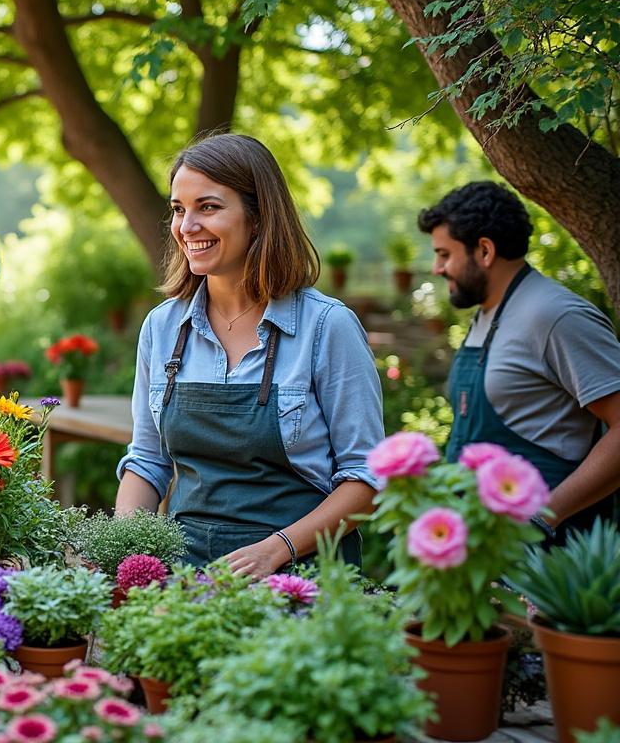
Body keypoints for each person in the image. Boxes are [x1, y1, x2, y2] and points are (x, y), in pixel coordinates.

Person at [115, 134, 383, 577]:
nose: (186, 226)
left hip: (301, 575)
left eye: (208, 207)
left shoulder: (325, 327)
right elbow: (148, 463)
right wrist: (127, 552)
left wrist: (275, 550)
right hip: (184, 574)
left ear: (258, 218)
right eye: (179, 209)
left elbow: (367, 479)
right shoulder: (162, 328)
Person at [419, 181, 620, 543]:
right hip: (486, 550)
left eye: (445, 254)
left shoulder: (554, 316)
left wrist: (543, 517)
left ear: (484, 250)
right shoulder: (487, 314)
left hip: (548, 559)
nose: (437, 268)